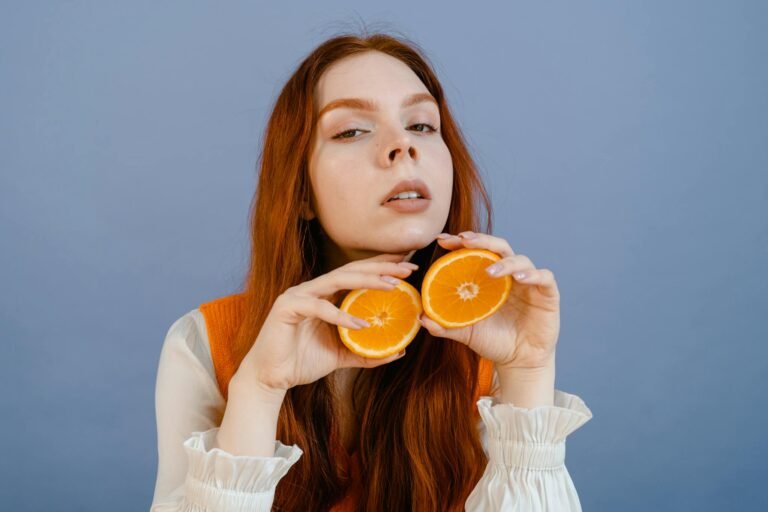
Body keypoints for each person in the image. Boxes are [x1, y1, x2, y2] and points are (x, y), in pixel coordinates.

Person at [150, 31, 593, 512]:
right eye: (352, 131)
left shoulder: (487, 343)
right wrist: (259, 389)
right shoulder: (206, 343)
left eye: (422, 125)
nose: (402, 145)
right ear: (300, 193)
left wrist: (528, 373)